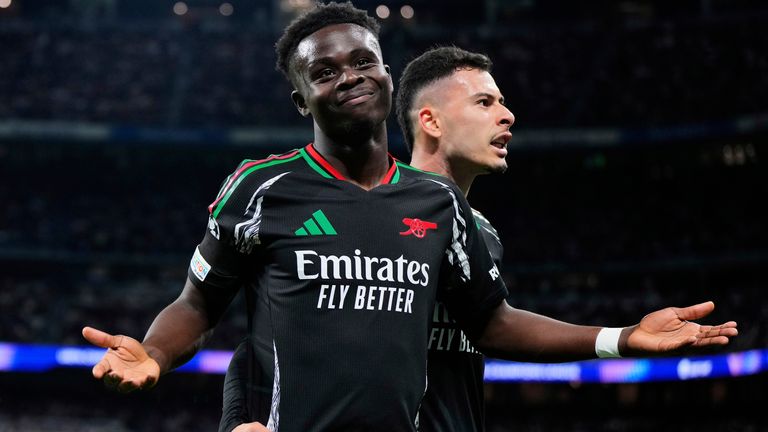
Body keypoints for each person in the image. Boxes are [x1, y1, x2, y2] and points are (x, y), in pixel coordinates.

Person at [82, 3, 738, 431]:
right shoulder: (261, 188)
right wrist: (156, 353)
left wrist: (621, 336)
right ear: (300, 97)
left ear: (388, 75)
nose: (349, 76)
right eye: (325, 71)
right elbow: (200, 304)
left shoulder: (440, 205)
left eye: (363, 60)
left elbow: (493, 322)